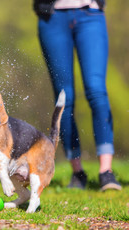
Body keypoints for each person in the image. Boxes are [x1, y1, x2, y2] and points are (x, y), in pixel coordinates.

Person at [33, 0, 121, 190]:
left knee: (96, 90)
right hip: (52, 16)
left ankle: (106, 172)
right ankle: (77, 172)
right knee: (65, 97)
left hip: (90, 15)